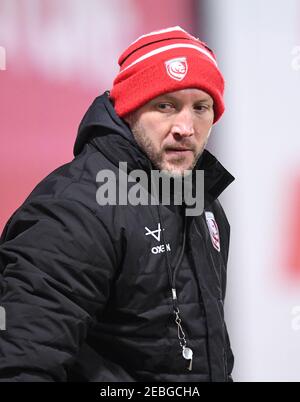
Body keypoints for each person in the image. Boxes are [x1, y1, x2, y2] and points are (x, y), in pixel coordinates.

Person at [0, 26, 234, 382]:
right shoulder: (75, 209)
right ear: (129, 109)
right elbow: (20, 365)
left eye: (200, 107)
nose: (185, 126)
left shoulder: (202, 203)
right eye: (165, 105)